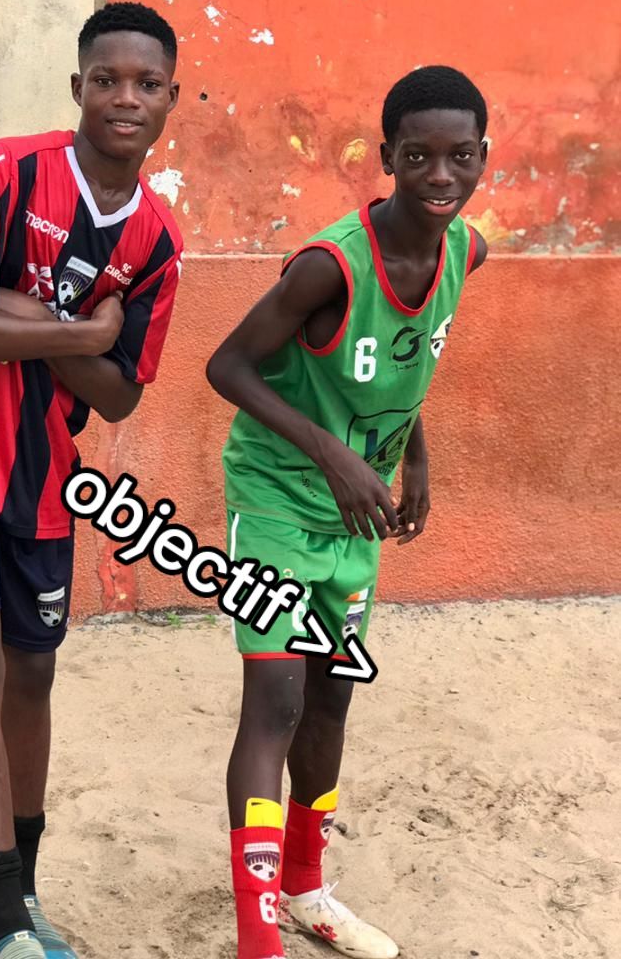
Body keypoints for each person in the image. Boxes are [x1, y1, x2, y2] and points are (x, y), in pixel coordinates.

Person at [0, 2, 183, 959]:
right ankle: (5, 920)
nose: (125, 98)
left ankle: (28, 889)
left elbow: (120, 394)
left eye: (146, 83)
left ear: (172, 100)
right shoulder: (10, 171)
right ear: (77, 88)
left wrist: (26, 317)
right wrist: (82, 330)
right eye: (107, 79)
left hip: (43, 472)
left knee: (34, 670)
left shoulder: (158, 241)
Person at [207, 66, 489, 959]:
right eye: (419, 157)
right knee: (277, 701)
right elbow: (227, 366)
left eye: (460, 157)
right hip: (278, 501)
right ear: (388, 158)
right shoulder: (330, 266)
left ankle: (305, 890)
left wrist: (417, 456)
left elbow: (405, 364)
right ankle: (258, 937)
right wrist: (332, 455)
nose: (440, 176)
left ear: (482, 157)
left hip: (355, 515)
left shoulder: (466, 251)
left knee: (332, 698)